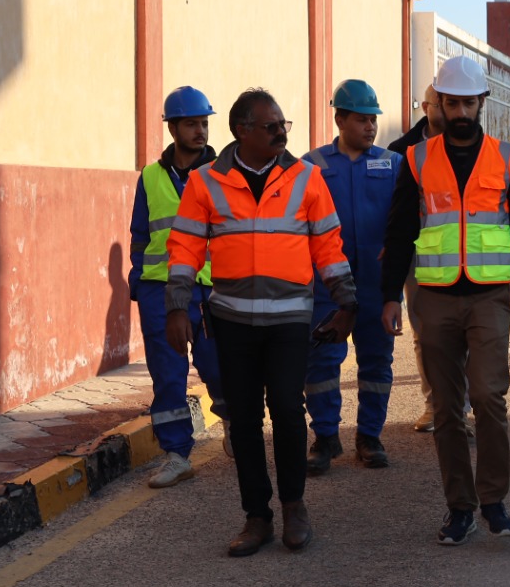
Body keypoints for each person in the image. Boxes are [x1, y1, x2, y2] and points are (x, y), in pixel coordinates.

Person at [166, 89, 357, 556]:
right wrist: (177, 307)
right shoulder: (205, 182)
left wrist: (346, 304)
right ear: (242, 131)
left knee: (289, 410)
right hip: (232, 320)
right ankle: (257, 517)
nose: (280, 134)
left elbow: (328, 246)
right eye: (271, 126)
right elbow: (185, 248)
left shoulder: (306, 178)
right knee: (245, 418)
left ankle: (294, 507)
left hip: (290, 318)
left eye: (283, 125)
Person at [381, 55, 510, 545]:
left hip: (488, 296)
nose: (459, 112)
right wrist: (389, 296)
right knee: (446, 409)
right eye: (451, 103)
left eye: (468, 103)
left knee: (488, 396)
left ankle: (493, 499)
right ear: (439, 102)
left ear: (482, 103)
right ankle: (460, 507)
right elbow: (400, 231)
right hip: (434, 297)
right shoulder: (416, 159)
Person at [128, 85, 228, 489]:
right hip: (160, 289)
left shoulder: (223, 173)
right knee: (168, 374)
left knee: (217, 365)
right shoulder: (151, 177)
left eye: (204, 123)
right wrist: (138, 280)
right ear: (172, 128)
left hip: (210, 287)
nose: (200, 130)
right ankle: (176, 454)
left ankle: (233, 422)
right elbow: (140, 234)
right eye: (191, 124)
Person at [301, 79, 401, 473]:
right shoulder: (312, 165)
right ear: (340, 120)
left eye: (373, 119)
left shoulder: (392, 164)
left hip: (377, 283)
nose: (370, 126)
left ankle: (369, 436)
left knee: (376, 361)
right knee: (321, 360)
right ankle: (325, 436)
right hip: (326, 285)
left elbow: (404, 220)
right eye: (362, 119)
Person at [388, 85, 447, 432]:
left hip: (463, 254)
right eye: (444, 103)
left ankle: (459, 407)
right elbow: (394, 211)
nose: (453, 110)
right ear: (426, 107)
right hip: (418, 255)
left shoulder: (476, 148)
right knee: (424, 334)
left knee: (462, 335)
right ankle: (434, 406)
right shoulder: (401, 151)